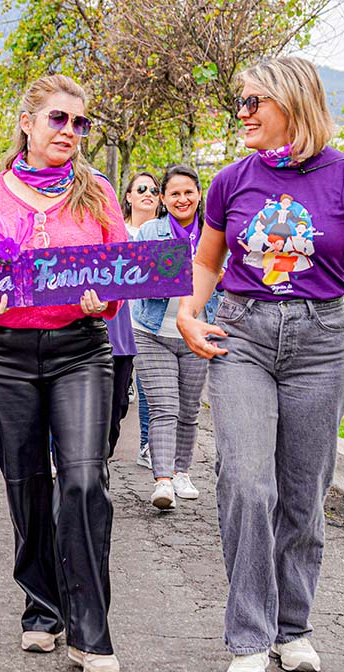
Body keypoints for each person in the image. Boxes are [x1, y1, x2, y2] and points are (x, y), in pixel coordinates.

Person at [176, 57, 344, 672]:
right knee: (247, 483)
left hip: (320, 343)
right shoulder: (230, 180)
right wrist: (187, 312)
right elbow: (205, 262)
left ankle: (293, 626)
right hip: (243, 335)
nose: (244, 114)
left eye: (255, 102)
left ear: (293, 103)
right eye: (241, 102)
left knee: (304, 493)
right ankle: (249, 637)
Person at [0, 74, 127, 672]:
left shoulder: (99, 193)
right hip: (5, 355)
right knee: (26, 484)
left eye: (81, 124)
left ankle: (90, 628)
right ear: (27, 123)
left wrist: (101, 299)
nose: (71, 134)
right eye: (59, 120)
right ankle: (43, 603)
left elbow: (124, 273)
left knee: (83, 480)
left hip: (81, 351)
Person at [131, 164, 219, 510]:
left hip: (198, 333)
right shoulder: (150, 232)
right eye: (174, 193)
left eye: (188, 192)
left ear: (199, 194)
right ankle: (163, 480)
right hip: (153, 331)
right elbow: (135, 277)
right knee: (163, 407)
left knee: (189, 408)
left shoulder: (215, 234)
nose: (182, 199)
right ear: (164, 199)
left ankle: (182, 471)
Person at [121, 172, 161, 465]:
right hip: (119, 322)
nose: (148, 193)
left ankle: (148, 445)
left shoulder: (165, 234)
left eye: (155, 190)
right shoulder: (117, 233)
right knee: (116, 397)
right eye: (142, 188)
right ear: (129, 196)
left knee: (149, 387)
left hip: (150, 321)